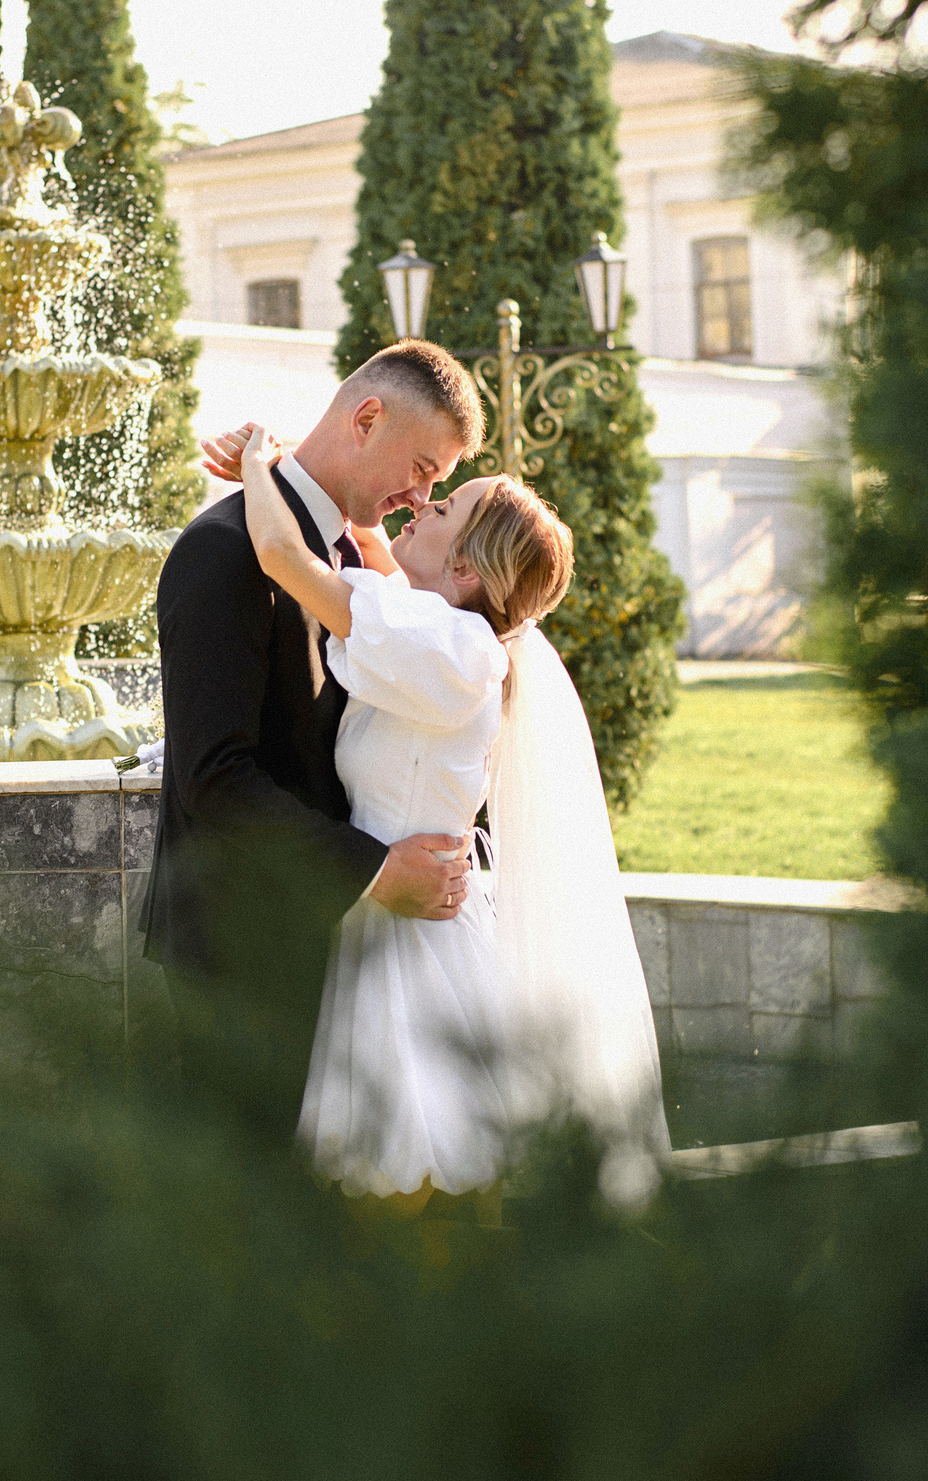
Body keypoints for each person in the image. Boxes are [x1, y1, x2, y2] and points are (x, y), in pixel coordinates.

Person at [210, 420, 671, 1211]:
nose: (419, 506)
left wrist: (258, 463)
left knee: (420, 1179)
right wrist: (319, 470)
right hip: (386, 914)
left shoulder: (454, 653)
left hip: (411, 947)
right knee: (409, 1183)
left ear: (463, 565)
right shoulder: (441, 630)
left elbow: (284, 559)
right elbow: (371, 544)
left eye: (444, 505)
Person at [140, 344, 484, 1128]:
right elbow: (214, 776)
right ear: (367, 418)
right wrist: (372, 873)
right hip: (241, 952)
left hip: (330, 947)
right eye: (424, 468)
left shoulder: (343, 557)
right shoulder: (226, 551)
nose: (423, 497)